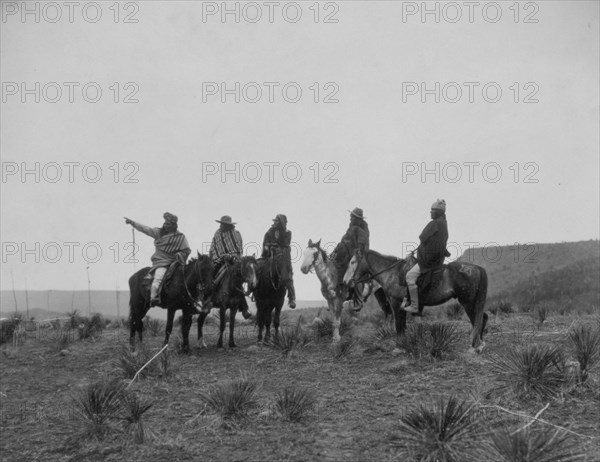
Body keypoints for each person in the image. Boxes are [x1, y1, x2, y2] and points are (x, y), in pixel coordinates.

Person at [124, 212, 191, 307]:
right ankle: (153, 297)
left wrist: (179, 255)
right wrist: (133, 223)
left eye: (168, 224)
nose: (166, 226)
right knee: (158, 278)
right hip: (161, 263)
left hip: (176, 262)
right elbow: (145, 229)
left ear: (174, 225)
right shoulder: (159, 233)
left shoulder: (180, 237)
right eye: (165, 223)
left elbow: (186, 250)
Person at [404, 199, 449, 314]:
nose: (430, 213)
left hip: (428, 262)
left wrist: (419, 253)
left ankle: (414, 306)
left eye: (432, 211)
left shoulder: (434, 224)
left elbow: (422, 237)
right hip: (437, 260)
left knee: (409, 276)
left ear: (438, 212)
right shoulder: (444, 224)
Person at [209, 215, 251, 319]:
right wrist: (215, 257)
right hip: (218, 260)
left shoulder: (236, 234)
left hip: (233, 261)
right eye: (221, 224)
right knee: (211, 276)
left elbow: (238, 249)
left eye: (223, 224)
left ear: (228, 225)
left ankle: (244, 308)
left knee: (238, 281)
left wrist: (231, 256)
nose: (221, 226)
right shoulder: (217, 233)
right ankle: (208, 300)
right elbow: (213, 247)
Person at [332, 207, 370, 303]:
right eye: (351, 217)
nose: (350, 219)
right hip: (347, 253)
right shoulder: (351, 228)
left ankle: (356, 298)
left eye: (352, 217)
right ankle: (339, 294)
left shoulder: (361, 229)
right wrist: (337, 250)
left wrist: (357, 252)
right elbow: (344, 240)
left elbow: (362, 243)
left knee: (354, 273)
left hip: (357, 254)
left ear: (358, 218)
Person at [262, 214, 296, 308]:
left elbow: (286, 243)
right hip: (270, 255)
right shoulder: (270, 231)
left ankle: (292, 298)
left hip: (283, 258)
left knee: (287, 277)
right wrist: (267, 247)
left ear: (281, 222)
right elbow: (265, 241)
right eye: (274, 221)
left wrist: (275, 245)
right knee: (258, 267)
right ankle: (253, 290)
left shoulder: (287, 232)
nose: (274, 223)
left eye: (277, 221)